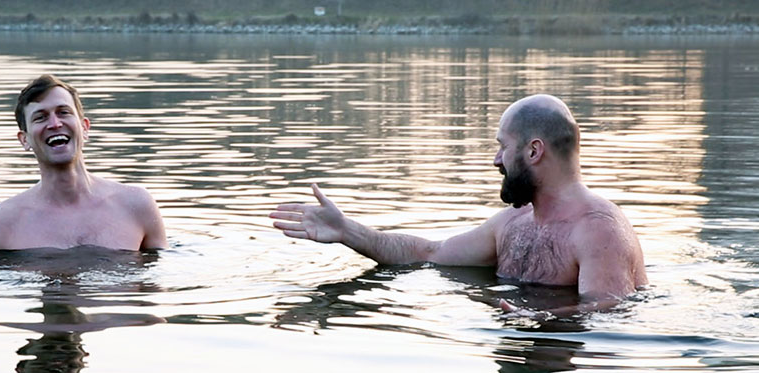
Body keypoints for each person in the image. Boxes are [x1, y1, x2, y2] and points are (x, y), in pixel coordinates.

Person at [269, 94, 647, 316]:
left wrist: (539, 319)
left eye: (503, 146)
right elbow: (428, 253)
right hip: (522, 342)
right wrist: (348, 231)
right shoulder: (511, 224)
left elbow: (609, 314)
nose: (496, 159)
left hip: (559, 352)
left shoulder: (598, 230)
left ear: (534, 151)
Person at [0, 74, 166, 252]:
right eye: (40, 117)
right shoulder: (1, 222)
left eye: (63, 112)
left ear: (85, 127)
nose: (55, 124)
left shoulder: (136, 205)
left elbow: (160, 281)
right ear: (24, 140)